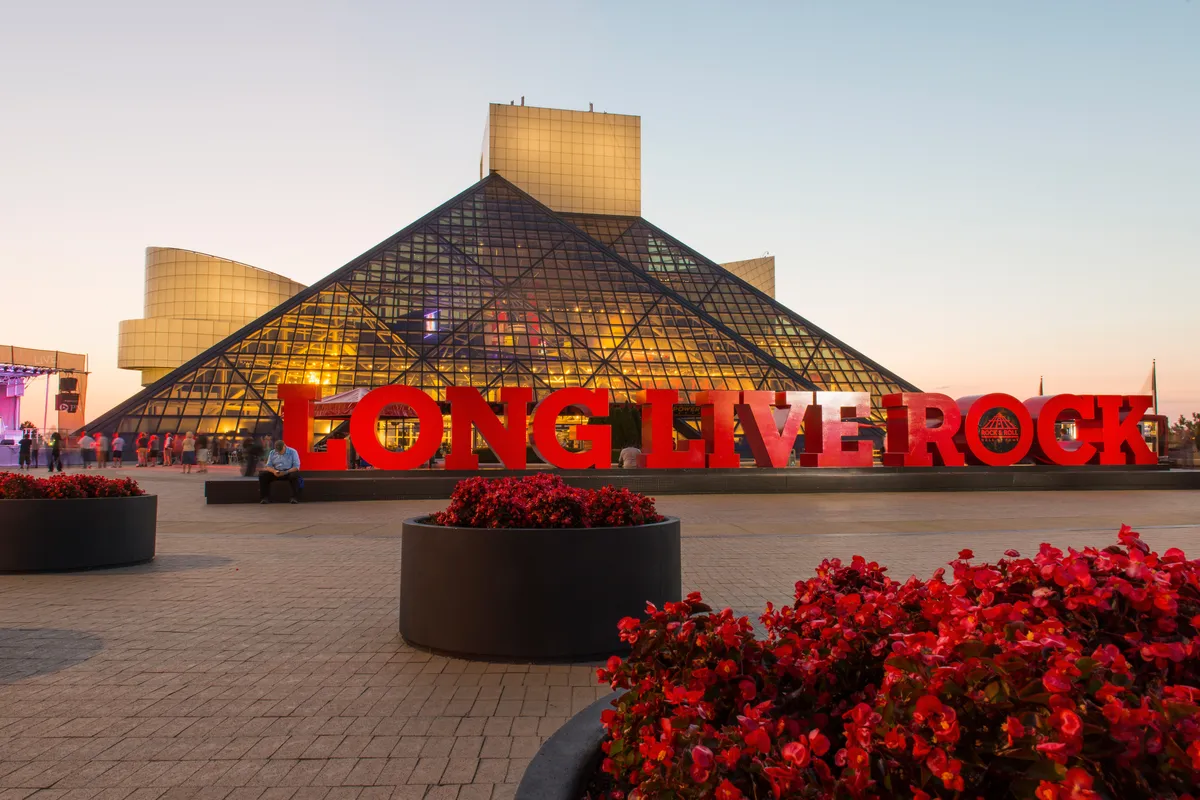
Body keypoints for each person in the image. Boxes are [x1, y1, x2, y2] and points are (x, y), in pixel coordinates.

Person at [259, 440, 302, 504]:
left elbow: (296, 467)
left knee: (295, 475)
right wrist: (274, 471)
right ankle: (265, 498)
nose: (279, 452)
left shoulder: (293, 452)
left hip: (288, 472)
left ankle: (294, 498)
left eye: (281, 450)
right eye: (278, 451)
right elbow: (268, 466)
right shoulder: (272, 452)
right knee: (262, 475)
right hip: (276, 472)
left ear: (284, 446)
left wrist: (286, 472)